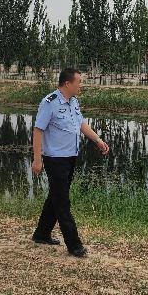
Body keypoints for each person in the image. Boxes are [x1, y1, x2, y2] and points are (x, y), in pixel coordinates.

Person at [31, 67, 109, 257]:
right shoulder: (49, 103)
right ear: (67, 83)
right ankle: (74, 244)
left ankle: (41, 233)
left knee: (56, 197)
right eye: (78, 82)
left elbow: (80, 124)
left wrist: (97, 140)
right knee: (63, 202)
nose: (80, 85)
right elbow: (38, 130)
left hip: (70, 157)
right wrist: (37, 159)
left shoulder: (73, 101)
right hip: (55, 159)